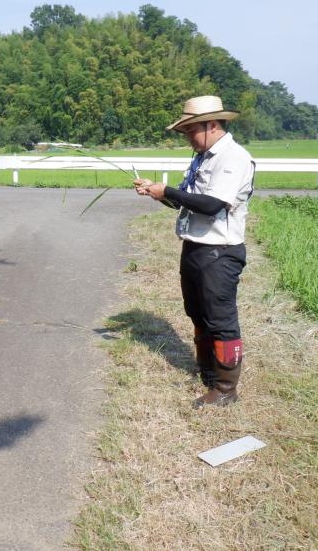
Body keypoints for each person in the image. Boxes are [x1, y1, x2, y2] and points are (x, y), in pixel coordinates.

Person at [133, 95, 255, 408]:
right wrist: (157, 193)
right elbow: (186, 200)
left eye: (190, 130)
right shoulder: (203, 158)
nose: (187, 137)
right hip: (195, 246)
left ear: (211, 125)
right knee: (197, 312)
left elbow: (213, 205)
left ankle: (226, 388)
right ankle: (209, 373)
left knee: (220, 319)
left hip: (220, 251)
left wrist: (169, 191)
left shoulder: (234, 158)